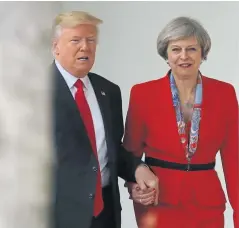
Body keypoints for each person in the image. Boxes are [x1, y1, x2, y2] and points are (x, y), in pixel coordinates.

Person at [123, 16, 238, 228]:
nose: (183, 56)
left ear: (202, 53)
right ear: (166, 55)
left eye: (192, 49)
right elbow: (130, 153)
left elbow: (234, 160)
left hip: (207, 205)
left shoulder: (225, 93)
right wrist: (134, 186)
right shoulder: (142, 93)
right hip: (158, 203)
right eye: (176, 49)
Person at [51, 11, 159, 228]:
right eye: (76, 40)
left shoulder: (108, 91)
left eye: (91, 40)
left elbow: (112, 150)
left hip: (105, 215)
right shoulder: (35, 94)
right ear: (56, 47)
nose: (85, 47)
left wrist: (138, 169)